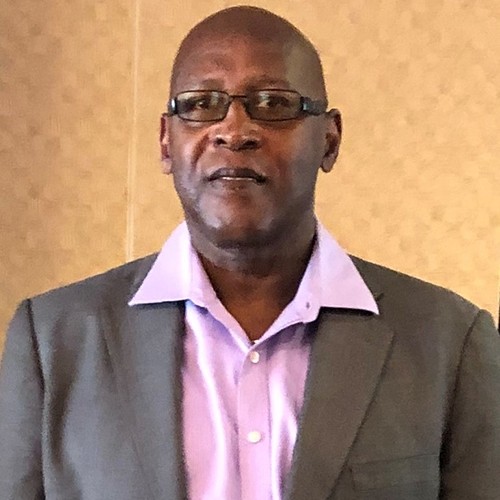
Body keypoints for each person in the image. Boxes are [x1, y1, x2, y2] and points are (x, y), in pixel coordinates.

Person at [1, 5, 499, 500]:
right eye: (201, 103)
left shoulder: (449, 344)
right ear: (166, 142)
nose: (234, 131)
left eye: (273, 103)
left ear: (329, 140)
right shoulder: (53, 343)